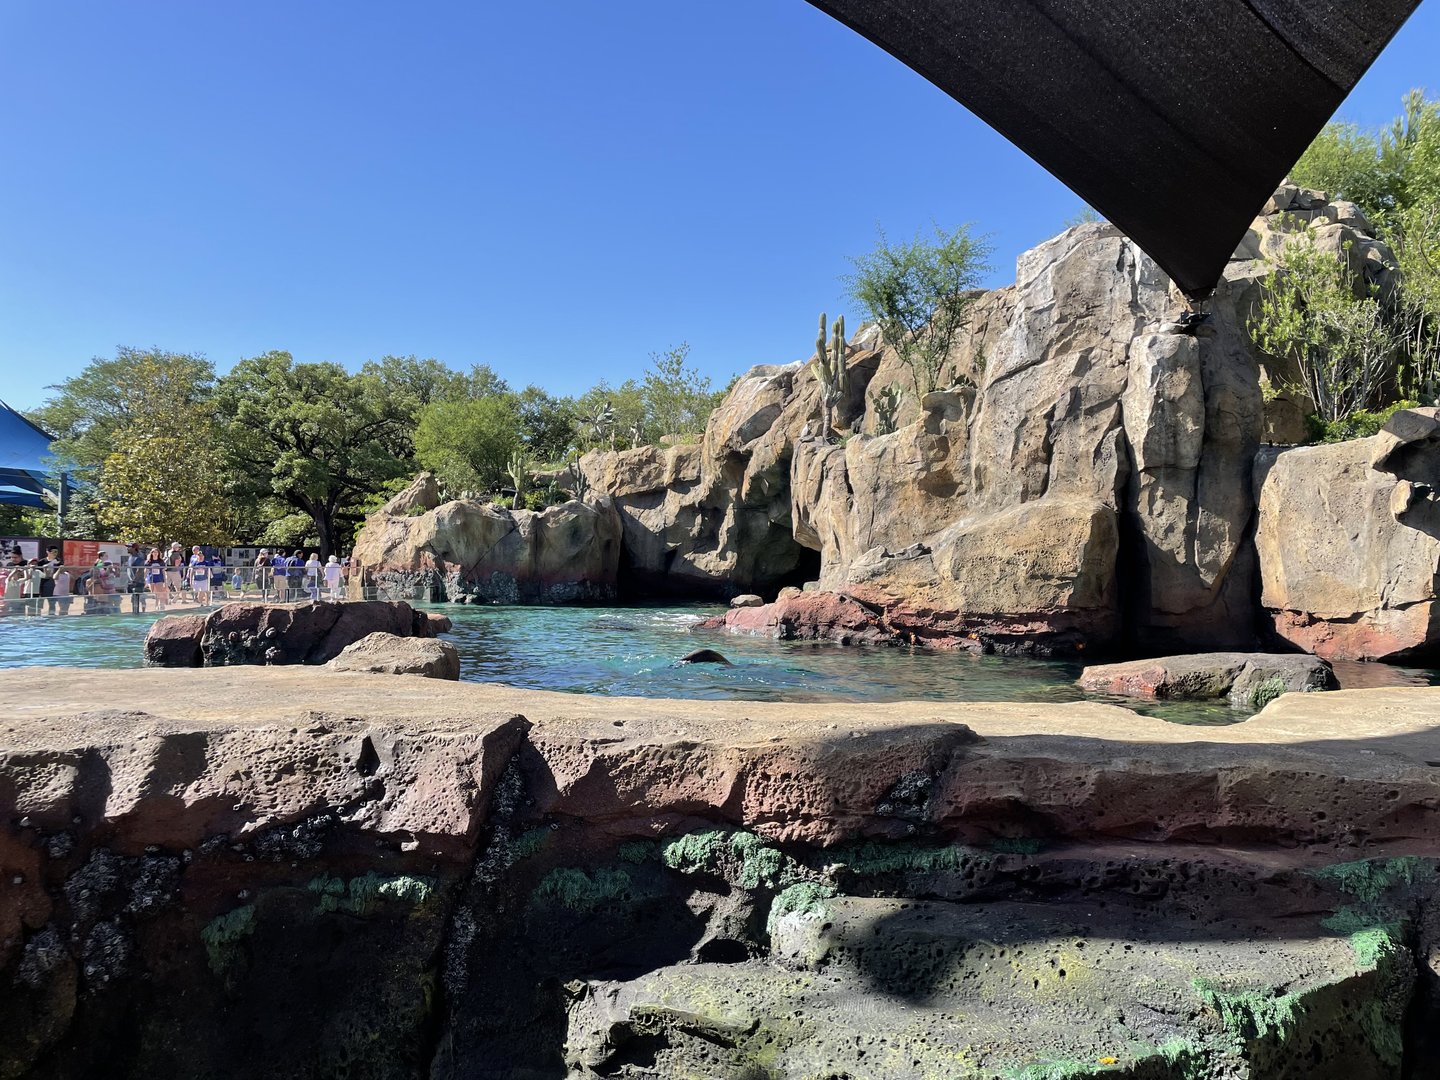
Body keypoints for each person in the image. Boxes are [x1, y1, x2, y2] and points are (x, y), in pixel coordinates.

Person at [126, 544, 147, 613]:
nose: (127, 548)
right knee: (133, 600)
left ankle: (142, 614)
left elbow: (140, 570)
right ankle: (135, 613)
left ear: (134, 548)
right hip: (132, 582)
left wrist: (134, 581)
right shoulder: (131, 557)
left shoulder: (138, 557)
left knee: (140, 599)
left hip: (138, 582)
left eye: (129, 547)